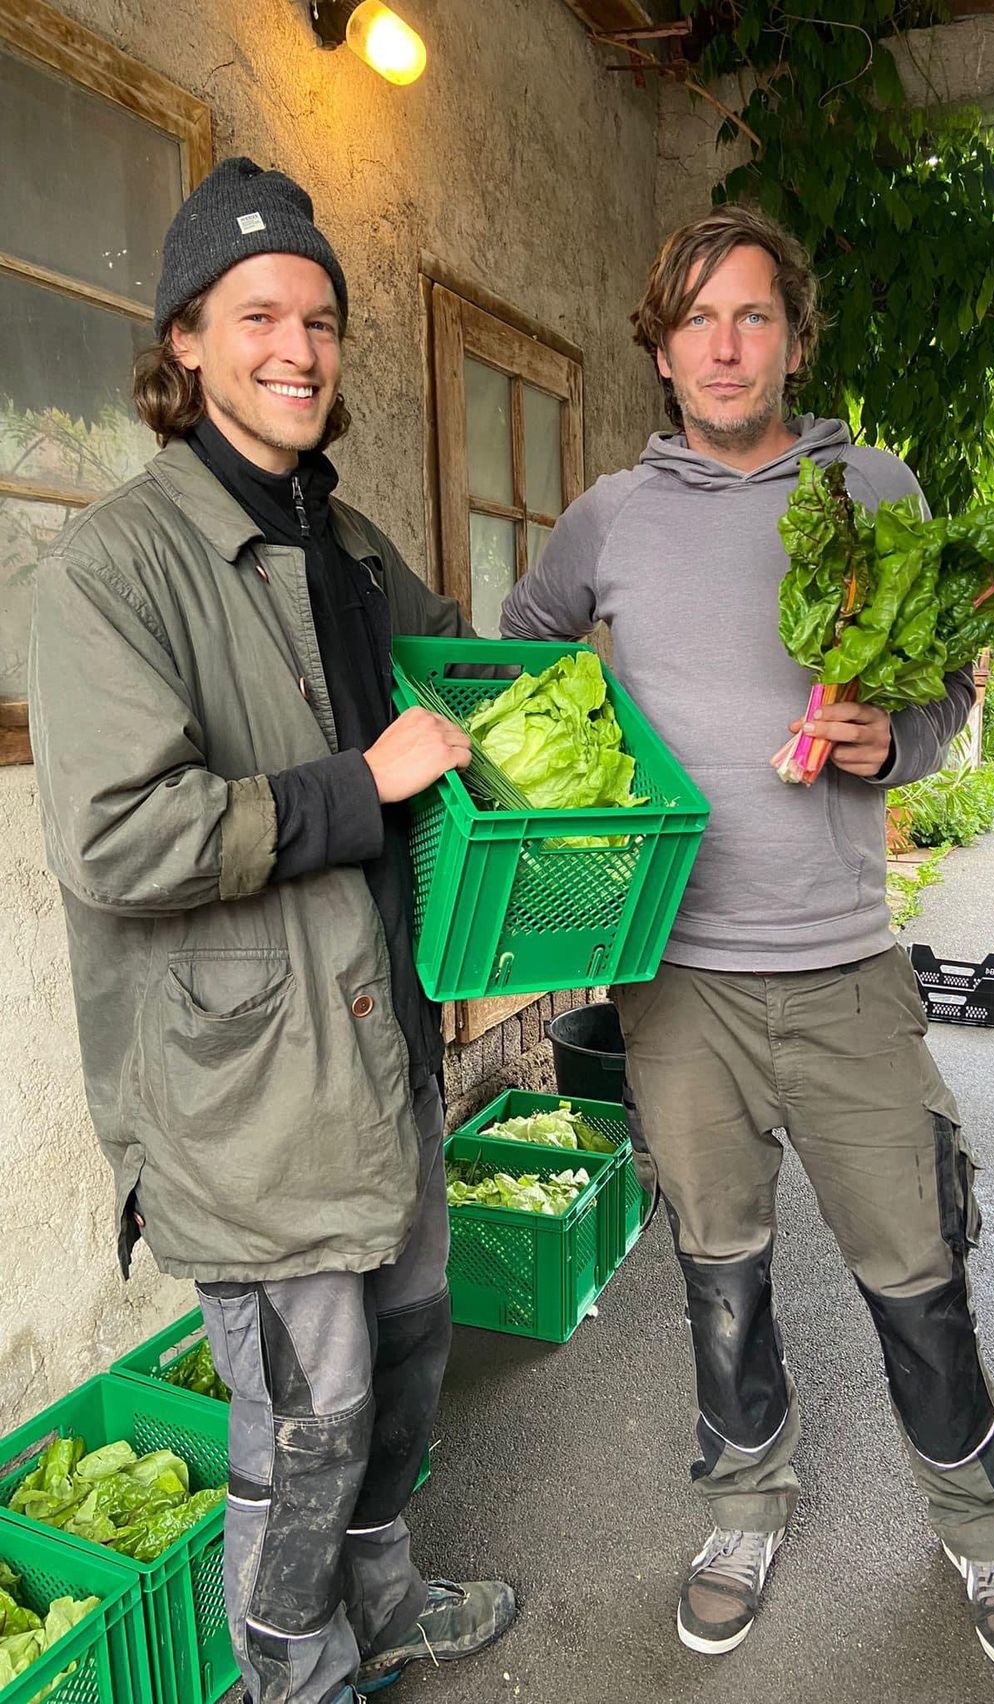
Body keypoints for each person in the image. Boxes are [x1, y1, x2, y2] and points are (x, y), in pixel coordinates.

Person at [500, 205, 994, 1680]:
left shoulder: (873, 487)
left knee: (917, 1260)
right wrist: (590, 790)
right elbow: (522, 647)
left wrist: (899, 739)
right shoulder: (612, 516)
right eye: (696, 320)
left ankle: (981, 1525)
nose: (725, 346)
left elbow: (946, 688)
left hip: (843, 964)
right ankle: (743, 1506)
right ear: (662, 350)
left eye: (752, 315)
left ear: (795, 339)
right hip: (677, 976)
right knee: (719, 1266)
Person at [29, 157, 516, 1704]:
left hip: (387, 1047)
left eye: (318, 317)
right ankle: (293, 1677)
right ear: (185, 340)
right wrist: (358, 787)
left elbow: (462, 700)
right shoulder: (112, 570)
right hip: (250, 1092)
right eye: (256, 315)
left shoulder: (356, 552)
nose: (295, 347)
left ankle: (386, 1606)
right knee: (308, 1419)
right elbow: (117, 839)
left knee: (410, 1357)